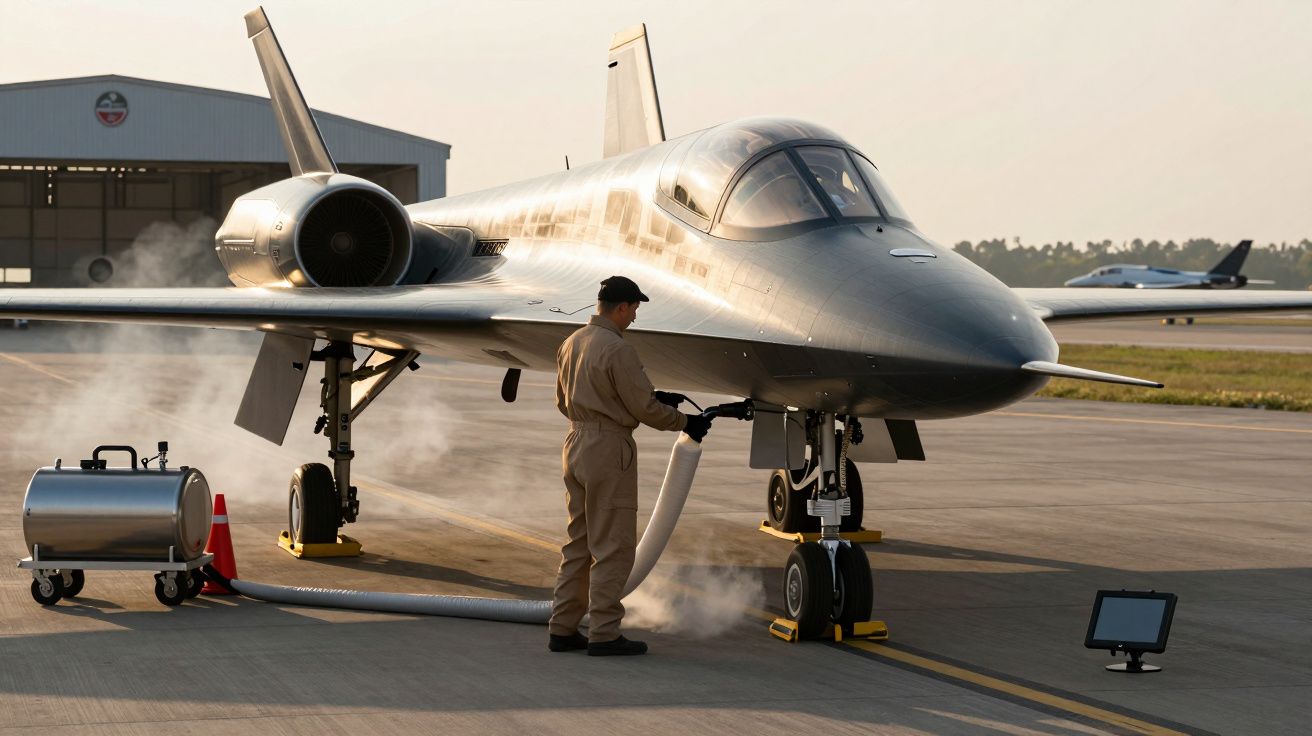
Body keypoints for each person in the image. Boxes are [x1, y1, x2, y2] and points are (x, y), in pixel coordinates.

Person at [548, 275, 711, 656]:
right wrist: (685, 421)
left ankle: (562, 627)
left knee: (579, 543)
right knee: (614, 547)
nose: (635, 316)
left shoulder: (572, 342)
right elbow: (643, 409)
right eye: (634, 309)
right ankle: (604, 633)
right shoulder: (618, 348)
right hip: (608, 449)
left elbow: (562, 399)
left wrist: (649, 398)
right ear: (621, 307)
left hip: (574, 443)